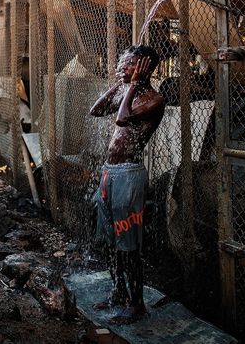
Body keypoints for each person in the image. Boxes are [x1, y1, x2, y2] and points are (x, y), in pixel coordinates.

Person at [88, 45, 166, 324]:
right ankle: (119, 292)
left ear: (145, 68)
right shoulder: (126, 91)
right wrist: (122, 84)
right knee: (111, 242)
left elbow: (122, 118)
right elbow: (96, 110)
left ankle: (137, 304)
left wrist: (132, 85)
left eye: (129, 64)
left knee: (128, 244)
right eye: (121, 63)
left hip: (129, 175)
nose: (121, 68)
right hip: (110, 172)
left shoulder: (154, 99)